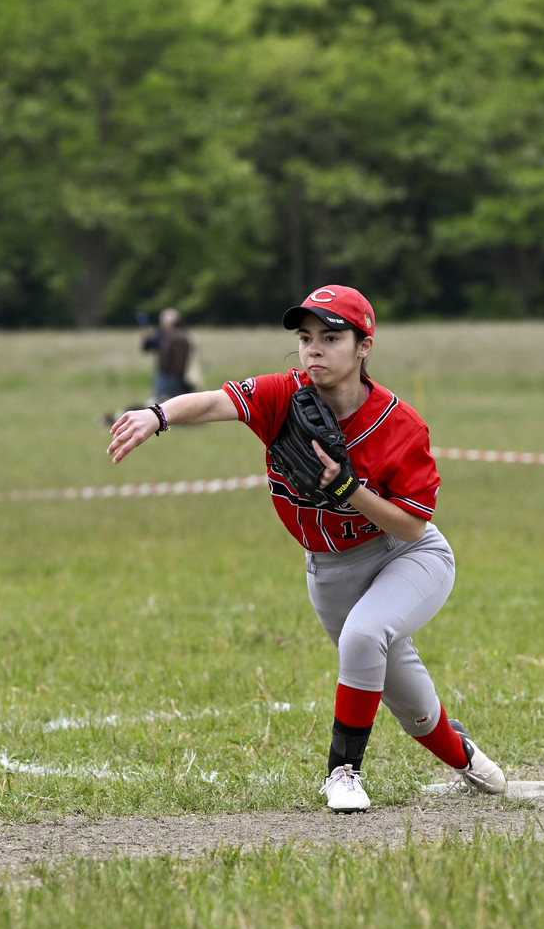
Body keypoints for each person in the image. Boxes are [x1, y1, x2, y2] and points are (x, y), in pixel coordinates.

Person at [108, 285, 507, 812]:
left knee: (364, 638)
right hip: (330, 572)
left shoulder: (400, 424)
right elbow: (212, 401)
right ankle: (462, 755)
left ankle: (342, 773)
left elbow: (412, 527)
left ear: (364, 346)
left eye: (332, 337)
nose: (314, 348)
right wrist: (156, 415)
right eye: (305, 337)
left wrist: (348, 489)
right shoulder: (282, 396)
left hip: (405, 555)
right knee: (410, 705)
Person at [140, 307, 194, 403]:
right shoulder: (161, 335)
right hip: (163, 373)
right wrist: (146, 335)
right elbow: (148, 347)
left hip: (178, 375)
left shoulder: (180, 336)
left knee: (178, 401)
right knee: (159, 400)